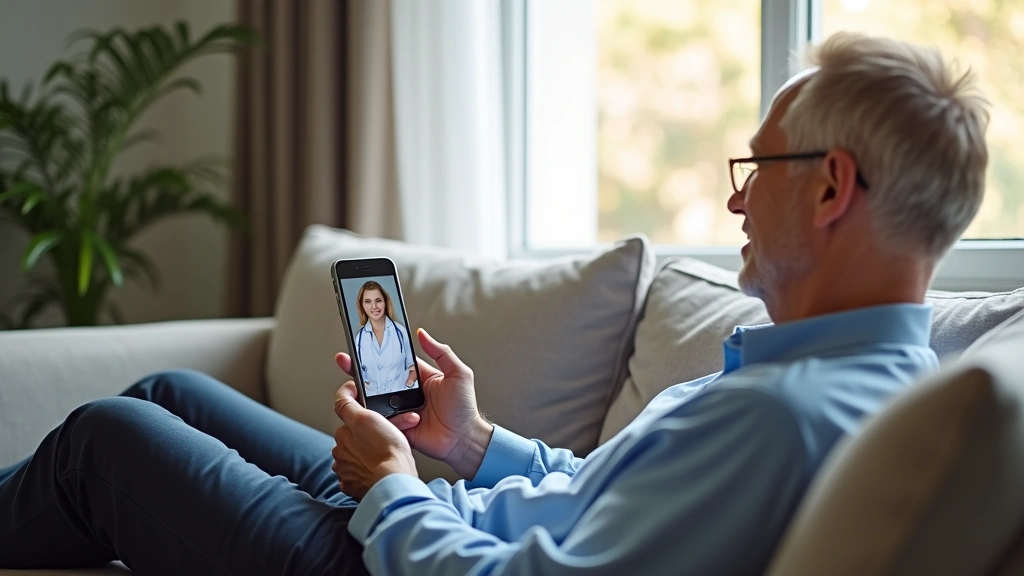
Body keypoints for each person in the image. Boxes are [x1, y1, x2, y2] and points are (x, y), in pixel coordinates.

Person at [0, 32, 989, 575]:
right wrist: (474, 446)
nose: (735, 196)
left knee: (109, 440)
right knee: (174, 391)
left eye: (756, 166)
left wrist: (390, 486)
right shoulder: (848, 380)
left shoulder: (783, 418)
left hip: (406, 559)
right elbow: (602, 504)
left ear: (829, 188)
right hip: (444, 520)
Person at [352, 281, 417, 395]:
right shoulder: (359, 338)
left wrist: (409, 384)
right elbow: (361, 377)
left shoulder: (400, 331)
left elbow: (414, 368)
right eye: (368, 302)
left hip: (402, 397)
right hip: (374, 402)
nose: (374, 307)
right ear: (362, 305)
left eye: (378, 301)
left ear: (385, 302)